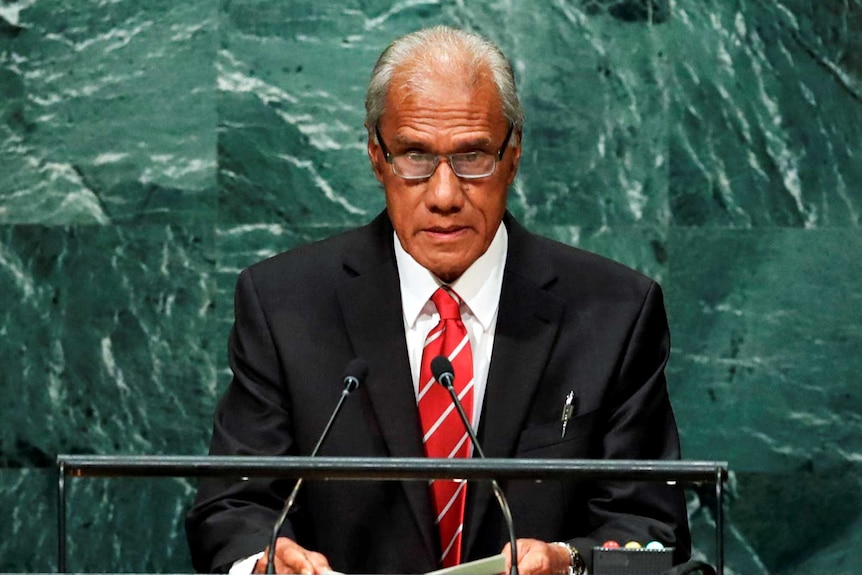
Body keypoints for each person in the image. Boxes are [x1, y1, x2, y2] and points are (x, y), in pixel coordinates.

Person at [186, 25, 690, 575]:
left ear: (513, 155)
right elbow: (231, 509)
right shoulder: (285, 307)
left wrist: (569, 563)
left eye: (473, 157)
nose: (445, 195)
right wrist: (262, 565)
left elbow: (652, 536)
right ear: (376, 157)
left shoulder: (614, 313)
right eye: (414, 157)